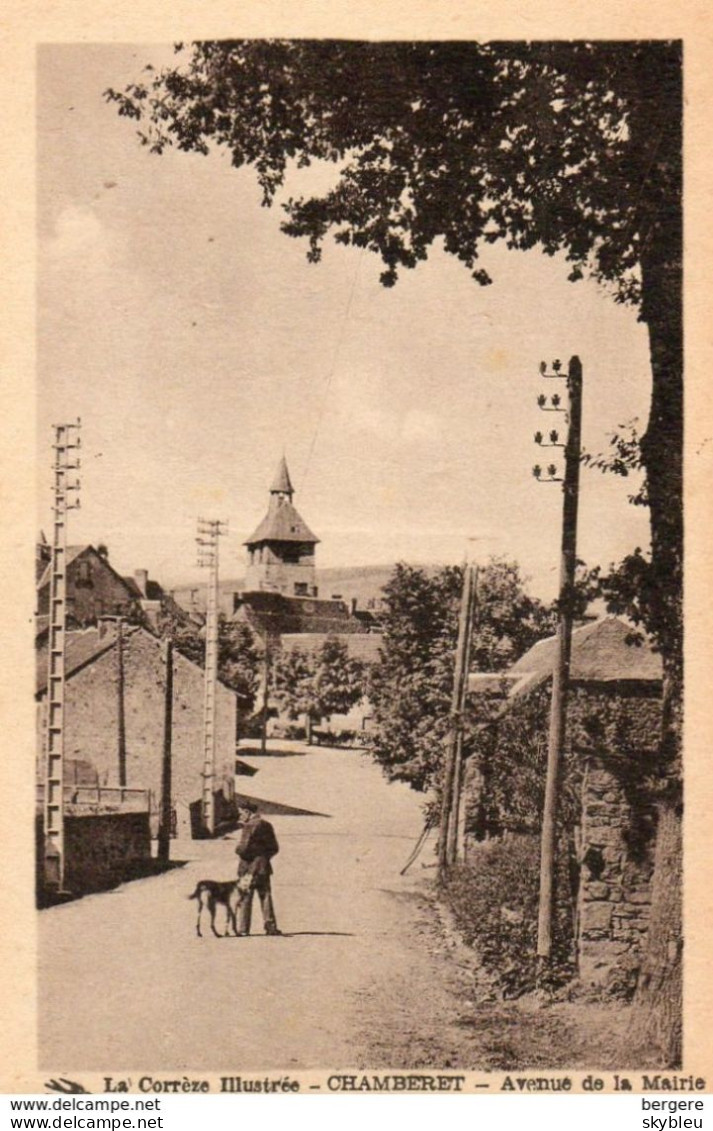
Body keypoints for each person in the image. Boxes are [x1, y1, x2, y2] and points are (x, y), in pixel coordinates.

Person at [234, 801, 282, 936]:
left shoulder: (248, 826)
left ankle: (243, 929)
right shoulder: (267, 825)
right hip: (263, 868)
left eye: (241, 813)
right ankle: (270, 927)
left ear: (248, 812)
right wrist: (263, 858)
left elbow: (243, 849)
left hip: (248, 869)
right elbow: (274, 848)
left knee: (245, 897)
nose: (240, 816)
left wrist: (237, 850)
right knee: (265, 896)